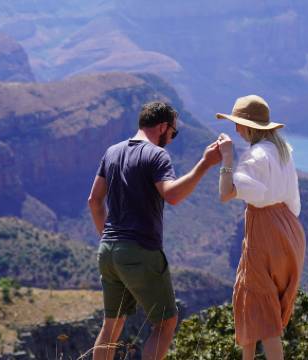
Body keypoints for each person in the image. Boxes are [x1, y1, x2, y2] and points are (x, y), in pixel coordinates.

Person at [87, 101, 222, 360]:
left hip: (108, 250)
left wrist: (108, 237)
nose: (171, 139)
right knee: (165, 323)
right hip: (140, 251)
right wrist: (205, 164)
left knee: (111, 325)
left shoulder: (112, 152)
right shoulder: (156, 155)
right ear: (162, 127)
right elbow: (171, 195)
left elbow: (94, 201)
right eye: (173, 133)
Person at [215, 95, 306, 360]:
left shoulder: (254, 157)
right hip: (290, 230)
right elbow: (293, 202)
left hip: (264, 230)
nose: (236, 130)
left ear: (249, 126)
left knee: (262, 310)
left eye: (238, 124)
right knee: (260, 303)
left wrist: (227, 158)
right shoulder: (283, 152)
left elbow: (226, 193)